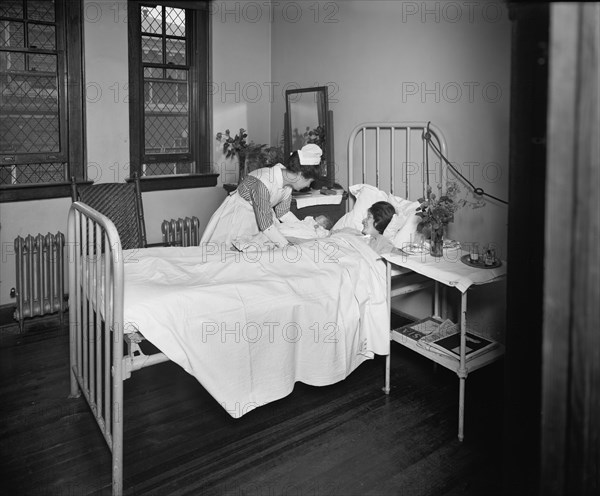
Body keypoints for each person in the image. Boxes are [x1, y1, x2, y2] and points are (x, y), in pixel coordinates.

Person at [201, 144, 323, 249]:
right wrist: (287, 247)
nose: (308, 186)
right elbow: (266, 226)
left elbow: (283, 213)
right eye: (309, 182)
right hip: (239, 216)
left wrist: (305, 230)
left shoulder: (288, 185)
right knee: (229, 256)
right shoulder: (264, 182)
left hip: (262, 218)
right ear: (300, 175)